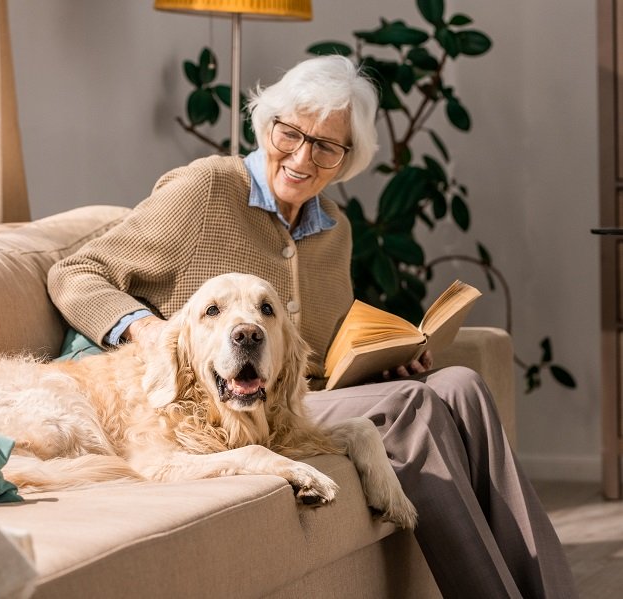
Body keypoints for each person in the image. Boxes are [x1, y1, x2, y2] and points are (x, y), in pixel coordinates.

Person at [46, 55, 577, 598]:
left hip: (312, 393)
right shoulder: (206, 191)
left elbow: (321, 347)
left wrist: (389, 357)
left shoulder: (335, 230)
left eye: (327, 145)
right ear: (266, 123)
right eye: (290, 133)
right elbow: (75, 272)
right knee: (414, 407)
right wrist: (146, 330)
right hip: (245, 405)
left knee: (461, 385)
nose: (303, 157)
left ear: (348, 157)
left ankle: (551, 590)